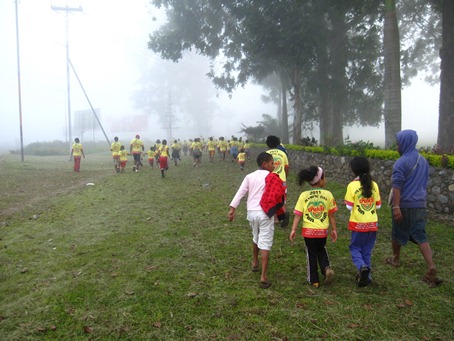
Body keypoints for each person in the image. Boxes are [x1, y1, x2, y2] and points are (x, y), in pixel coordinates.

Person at [386, 129, 442, 286]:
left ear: (404, 143)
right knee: (421, 235)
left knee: (397, 233)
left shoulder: (401, 162)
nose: (397, 147)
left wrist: (396, 206)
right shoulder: (423, 161)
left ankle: (395, 259)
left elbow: (397, 185)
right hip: (420, 205)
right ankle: (431, 266)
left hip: (404, 205)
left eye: (398, 144)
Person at [228, 152, 279, 289]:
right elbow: (278, 196)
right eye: (272, 163)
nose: (273, 166)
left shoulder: (249, 177)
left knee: (255, 236)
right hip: (265, 213)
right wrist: (279, 214)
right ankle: (263, 276)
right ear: (265, 164)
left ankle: (255, 262)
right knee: (266, 242)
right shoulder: (272, 177)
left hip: (251, 213)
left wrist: (233, 209)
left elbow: (240, 192)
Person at [290, 166, 338, 287]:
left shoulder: (304, 195)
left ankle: (314, 280)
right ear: (320, 180)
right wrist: (334, 230)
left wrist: (293, 229)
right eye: (324, 177)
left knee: (311, 253)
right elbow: (331, 215)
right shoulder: (328, 194)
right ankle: (326, 268)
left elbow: (297, 215)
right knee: (321, 249)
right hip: (322, 231)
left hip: (308, 232)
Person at [344, 157, 381, 287]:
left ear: (353, 170)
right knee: (366, 250)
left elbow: (349, 206)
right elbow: (378, 206)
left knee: (355, 248)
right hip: (372, 224)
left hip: (358, 224)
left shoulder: (352, 186)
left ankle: (362, 267)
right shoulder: (374, 185)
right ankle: (367, 277)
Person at [266, 135, 290, 228]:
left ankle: (276, 218)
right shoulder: (282, 153)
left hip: (271, 180)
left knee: (272, 198)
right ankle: (283, 216)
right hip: (282, 180)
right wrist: (285, 176)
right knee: (282, 198)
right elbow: (287, 167)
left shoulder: (266, 154)